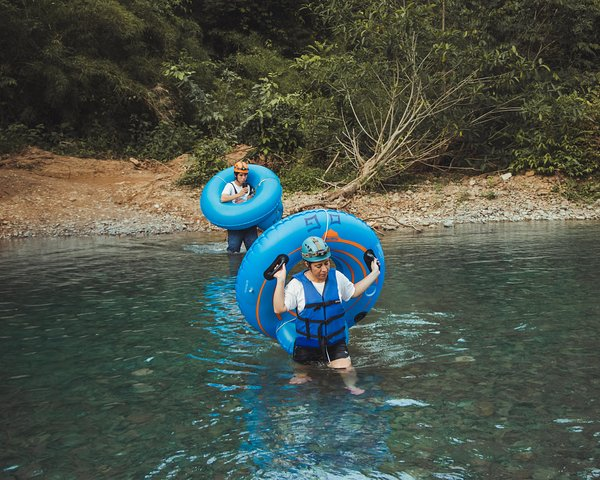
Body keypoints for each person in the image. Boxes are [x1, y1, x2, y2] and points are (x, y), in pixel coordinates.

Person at [273, 236, 381, 394]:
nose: (324, 269)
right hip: (306, 345)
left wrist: (375, 273)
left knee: (347, 371)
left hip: (334, 342)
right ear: (307, 264)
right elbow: (279, 308)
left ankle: (351, 387)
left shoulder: (336, 277)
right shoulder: (297, 285)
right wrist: (281, 279)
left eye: (326, 263)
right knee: (300, 382)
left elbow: (353, 291)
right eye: (318, 266)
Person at [220, 161, 258, 254]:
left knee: (253, 250)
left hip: (249, 222)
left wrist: (250, 198)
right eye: (241, 175)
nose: (243, 177)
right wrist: (239, 194)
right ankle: (233, 268)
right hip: (235, 223)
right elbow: (223, 198)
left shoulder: (249, 187)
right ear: (236, 175)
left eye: (245, 175)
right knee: (233, 251)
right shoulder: (230, 186)